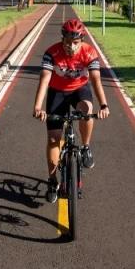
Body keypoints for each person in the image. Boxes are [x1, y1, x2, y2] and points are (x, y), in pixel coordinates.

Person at [33, 18, 110, 203]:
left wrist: (104, 105)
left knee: (86, 110)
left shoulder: (89, 53)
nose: (72, 46)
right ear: (62, 39)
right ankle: (52, 181)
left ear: (81, 41)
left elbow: (96, 80)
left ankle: (85, 147)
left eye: (76, 43)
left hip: (79, 90)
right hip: (57, 92)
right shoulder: (51, 53)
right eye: (68, 42)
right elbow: (44, 79)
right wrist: (37, 107)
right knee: (53, 138)